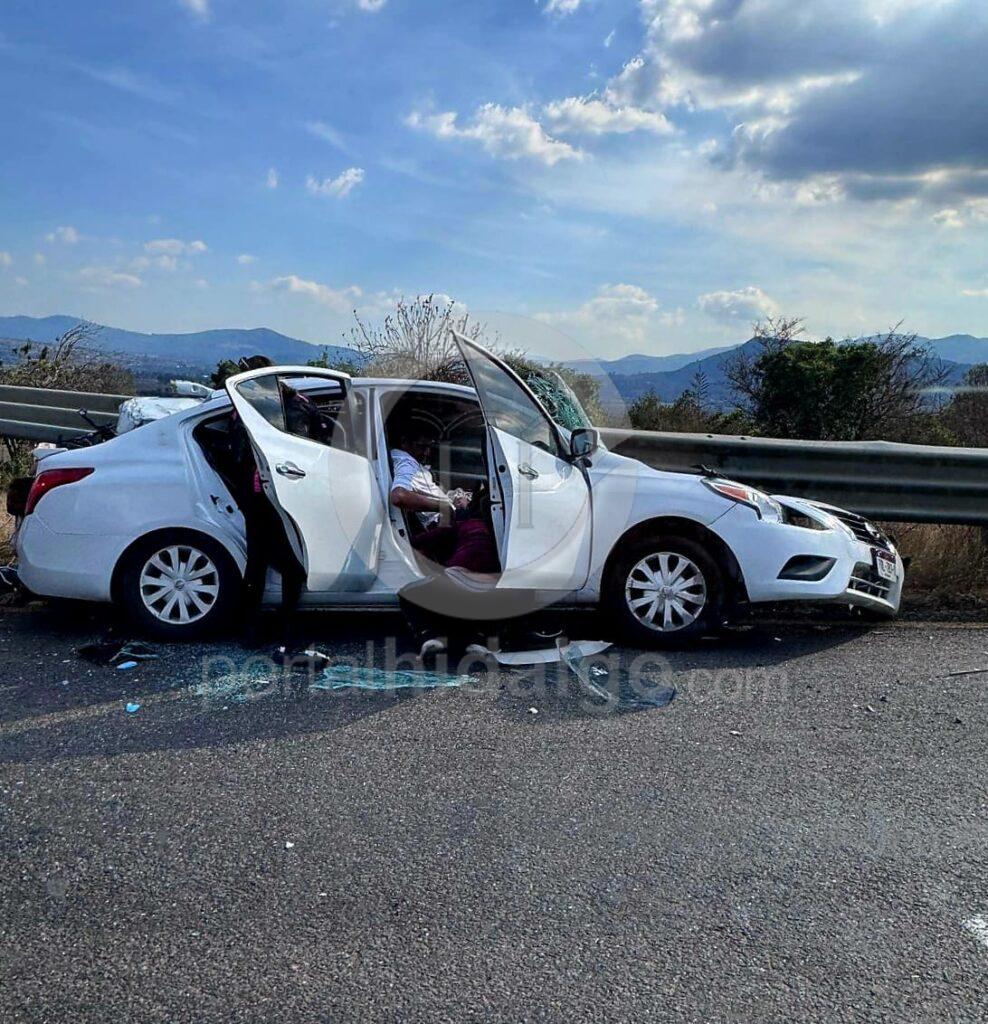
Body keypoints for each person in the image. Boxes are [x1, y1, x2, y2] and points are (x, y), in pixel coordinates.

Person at [231, 355, 308, 664]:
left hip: (272, 497)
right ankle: (278, 628)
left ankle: (262, 628)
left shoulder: (275, 408)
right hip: (269, 498)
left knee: (272, 564)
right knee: (280, 565)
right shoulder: (277, 407)